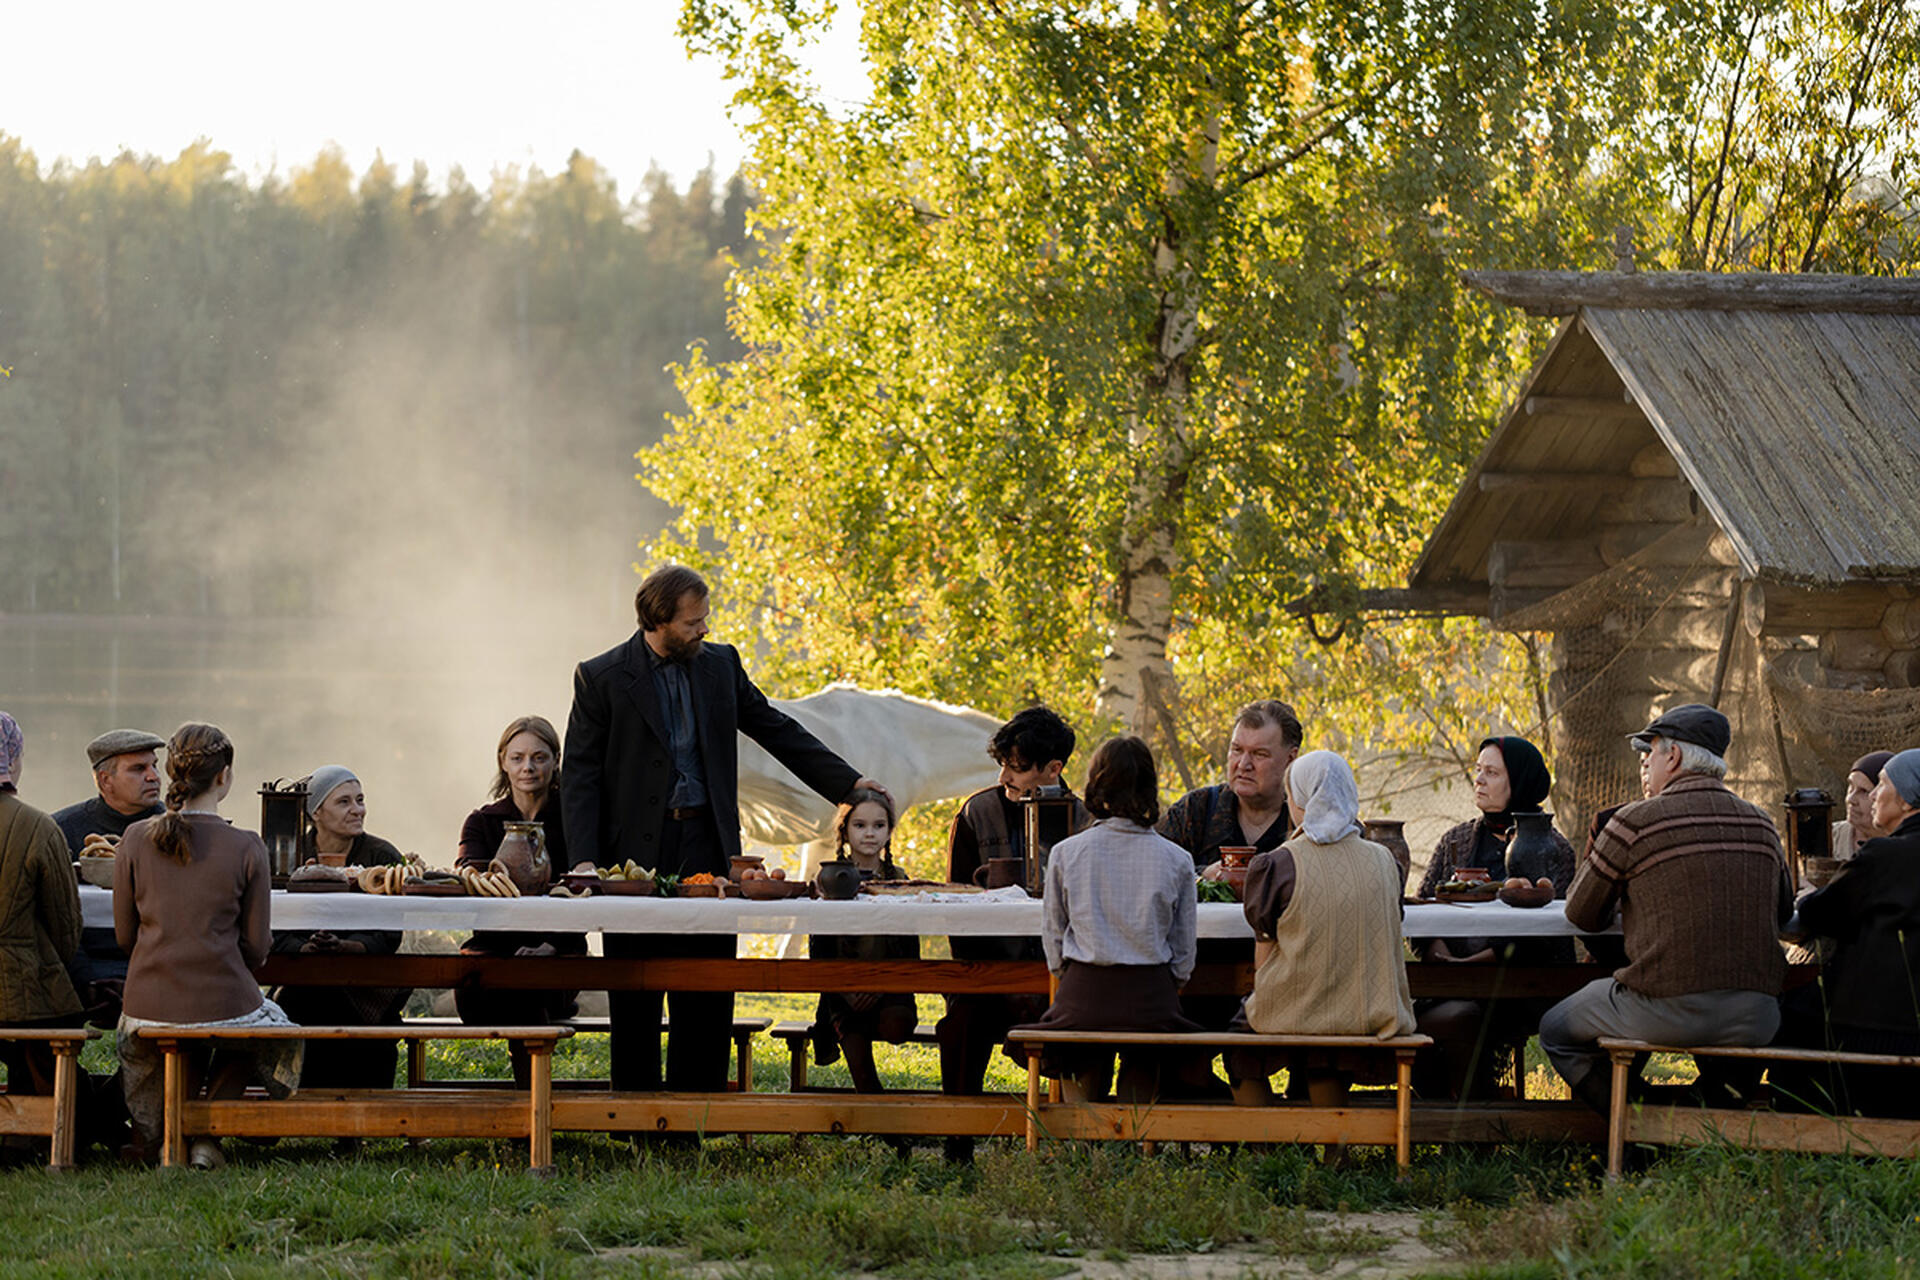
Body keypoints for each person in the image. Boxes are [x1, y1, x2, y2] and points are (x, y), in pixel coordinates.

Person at [562, 564, 884, 1096]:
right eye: (693, 622)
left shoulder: (721, 665)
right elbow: (580, 774)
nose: (704, 629)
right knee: (635, 987)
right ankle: (636, 1115)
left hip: (707, 847)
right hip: (632, 859)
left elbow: (776, 728)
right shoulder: (601, 677)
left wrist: (847, 784)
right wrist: (584, 859)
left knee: (708, 986)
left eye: (704, 618)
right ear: (657, 621)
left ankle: (697, 1109)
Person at [1538, 704, 1792, 1114]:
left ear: (1672, 756)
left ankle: (1643, 1119)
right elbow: (1782, 914)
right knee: (1737, 1049)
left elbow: (1581, 913)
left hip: (1663, 1007)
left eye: (1650, 752)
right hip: (1758, 1014)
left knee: (1554, 1030)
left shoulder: (1633, 821)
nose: (1646, 764)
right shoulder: (1763, 824)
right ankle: (1700, 1116)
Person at [113, 723, 300, 1169]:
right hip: (223, 998)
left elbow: (124, 937)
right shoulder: (247, 846)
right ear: (223, 776)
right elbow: (257, 948)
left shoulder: (134, 839)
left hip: (147, 1003)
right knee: (261, 1033)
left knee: (193, 1032)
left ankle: (172, 1136)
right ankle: (203, 1136)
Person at [1007, 737, 1200, 1102]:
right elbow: (1183, 951)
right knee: (1146, 1054)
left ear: (1095, 784)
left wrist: (1074, 975)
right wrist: (1164, 983)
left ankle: (1082, 1126)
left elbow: (1054, 937)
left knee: (1078, 1049)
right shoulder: (1177, 859)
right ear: (1149, 787)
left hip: (1085, 992)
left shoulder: (1066, 853)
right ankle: (1136, 1126)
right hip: (1151, 998)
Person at [1224, 750, 1415, 1109]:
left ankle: (1265, 1134)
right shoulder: (1384, 861)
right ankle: (1332, 1134)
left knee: (1239, 1042)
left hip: (1297, 1009)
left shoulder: (1279, 863)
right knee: (1327, 1049)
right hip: (1371, 1010)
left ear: (1301, 801)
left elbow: (1264, 962)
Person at [937, 705, 1088, 1161]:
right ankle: (957, 1138)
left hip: (1061, 975)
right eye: (1002, 764)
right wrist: (988, 977)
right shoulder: (976, 812)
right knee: (961, 1021)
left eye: (1017, 767)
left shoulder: (1084, 819)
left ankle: (1079, 1137)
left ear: (1053, 769)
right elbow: (957, 905)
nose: (1004, 776)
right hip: (988, 970)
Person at [1412, 736, 1576, 1100]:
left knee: (1467, 1014)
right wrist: (1439, 951)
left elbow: (1546, 935)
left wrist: (1476, 963)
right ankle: (1453, 1109)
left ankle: (1478, 1112)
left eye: (1492, 772)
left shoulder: (1552, 849)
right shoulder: (1455, 840)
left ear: (1519, 781)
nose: (1479, 780)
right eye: (1478, 770)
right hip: (1450, 980)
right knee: (1435, 1019)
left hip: (1521, 987)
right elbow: (1423, 906)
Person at [1772, 749, 1920, 1116]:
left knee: (1788, 1015)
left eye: (1880, 785)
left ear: (1905, 800)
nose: (1873, 797)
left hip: (1874, 1032)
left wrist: (1808, 896)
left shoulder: (1886, 855)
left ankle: (1790, 1128)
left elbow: (1820, 912)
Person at [1156, 700, 1302, 1044]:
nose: (1243, 764)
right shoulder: (1197, 810)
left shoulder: (1307, 820)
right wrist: (1202, 875)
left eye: (1260, 754)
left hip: (1287, 980)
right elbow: (1150, 868)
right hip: (1192, 978)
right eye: (1237, 750)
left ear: (1291, 760)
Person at [455, 716, 586, 1087]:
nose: (528, 767)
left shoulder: (575, 821)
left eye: (539, 757)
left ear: (556, 761)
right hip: (493, 953)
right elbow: (470, 878)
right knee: (512, 985)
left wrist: (552, 944)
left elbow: (587, 890)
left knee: (528, 985)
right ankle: (532, 1102)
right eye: (518, 758)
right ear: (503, 762)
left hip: (557, 952)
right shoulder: (481, 822)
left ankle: (529, 1103)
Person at [269, 766, 410, 1095]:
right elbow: (271, 920)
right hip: (301, 977)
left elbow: (390, 931)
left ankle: (363, 1109)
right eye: (344, 802)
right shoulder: (287, 853)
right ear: (316, 812)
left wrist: (349, 946)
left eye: (360, 800)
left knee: (352, 1009)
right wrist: (303, 948)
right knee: (302, 999)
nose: (357, 810)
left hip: (363, 981)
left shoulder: (382, 856)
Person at [0, 712, 93, 1163]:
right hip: (22, 993)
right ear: (14, 760)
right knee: (53, 1021)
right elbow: (65, 929)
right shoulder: (38, 827)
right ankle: (41, 1133)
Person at [807, 788, 918, 1096]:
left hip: (890, 989)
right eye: (860, 825)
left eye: (879, 825)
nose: (870, 833)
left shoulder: (900, 879)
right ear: (845, 831)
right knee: (860, 1063)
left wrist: (881, 985)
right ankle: (881, 1116)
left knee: (896, 1026)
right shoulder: (829, 880)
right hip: (844, 993)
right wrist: (847, 988)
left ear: (889, 831)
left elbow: (910, 947)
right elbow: (819, 948)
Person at [51, 728, 166, 1000]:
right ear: (105, 780)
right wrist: (87, 981)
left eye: (154, 765)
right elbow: (52, 920)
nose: (153, 776)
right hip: (80, 967)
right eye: (138, 769)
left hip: (161, 964)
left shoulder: (177, 829)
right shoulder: (61, 830)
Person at [1830, 750, 1894, 865]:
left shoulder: (1908, 847)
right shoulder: (1830, 838)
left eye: (1864, 791)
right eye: (1851, 786)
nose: (1850, 799)